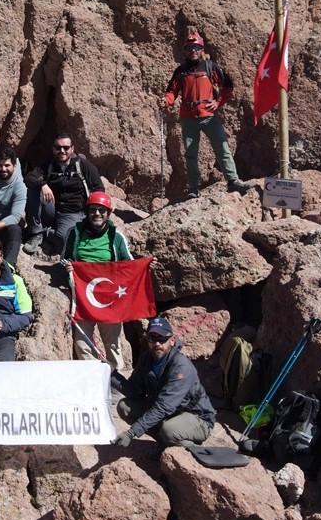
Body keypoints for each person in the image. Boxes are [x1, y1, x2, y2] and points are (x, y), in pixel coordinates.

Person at [159, 32, 254, 199]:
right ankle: (194, 188)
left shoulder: (211, 67)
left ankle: (233, 180)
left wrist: (218, 102)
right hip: (188, 118)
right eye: (189, 48)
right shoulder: (180, 71)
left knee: (222, 147)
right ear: (185, 50)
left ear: (201, 49)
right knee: (190, 154)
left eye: (196, 47)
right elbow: (172, 91)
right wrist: (166, 101)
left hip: (208, 116)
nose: (193, 51)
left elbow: (228, 87)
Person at [111, 317, 215, 447]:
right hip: (171, 413)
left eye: (162, 339)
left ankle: (188, 447)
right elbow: (134, 392)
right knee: (125, 407)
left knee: (169, 430)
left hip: (196, 417)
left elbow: (164, 406)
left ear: (172, 341)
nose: (157, 343)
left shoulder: (181, 367)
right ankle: (164, 443)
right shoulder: (146, 359)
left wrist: (131, 433)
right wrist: (111, 374)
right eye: (152, 339)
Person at [60, 190, 131, 374]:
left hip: (110, 297)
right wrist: (68, 267)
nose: (97, 214)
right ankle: (92, 379)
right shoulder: (75, 233)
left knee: (112, 343)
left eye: (101, 210)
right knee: (82, 343)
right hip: (84, 296)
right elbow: (64, 258)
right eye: (93, 210)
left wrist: (145, 266)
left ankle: (117, 383)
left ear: (108, 213)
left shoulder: (116, 236)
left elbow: (129, 263)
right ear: (87, 211)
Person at [22, 132, 104, 257]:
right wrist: (43, 184)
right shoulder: (49, 165)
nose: (62, 151)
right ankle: (35, 233)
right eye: (58, 147)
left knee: (65, 242)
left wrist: (91, 211)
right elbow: (29, 178)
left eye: (66, 148)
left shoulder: (83, 165)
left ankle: (46, 232)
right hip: (51, 208)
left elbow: (99, 188)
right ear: (53, 149)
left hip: (72, 213)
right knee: (33, 189)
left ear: (72, 149)